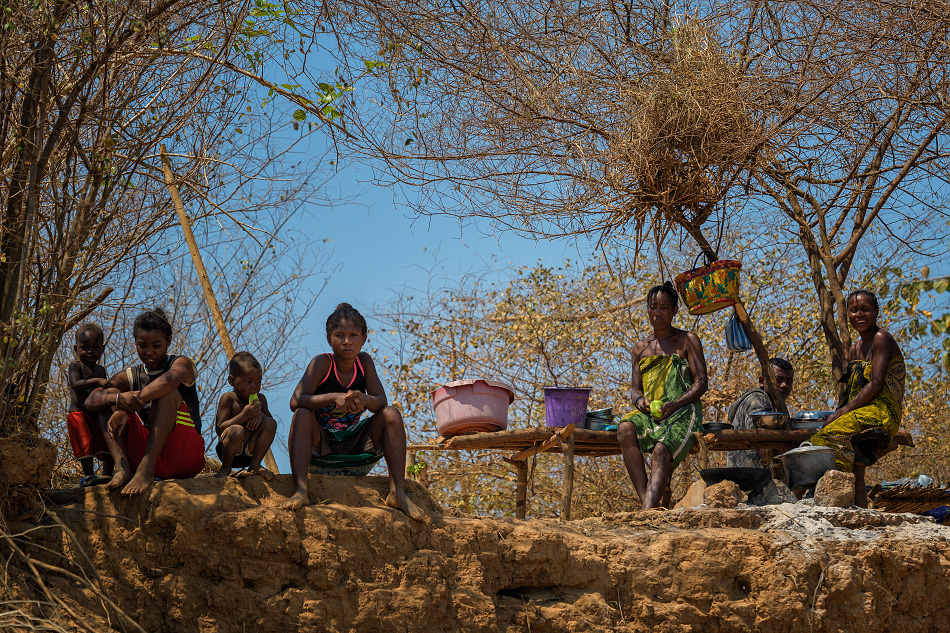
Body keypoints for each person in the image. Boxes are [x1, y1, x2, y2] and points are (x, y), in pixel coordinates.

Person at [281, 303, 424, 519]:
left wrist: (364, 399)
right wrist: (332, 397)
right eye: (339, 335)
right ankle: (301, 490)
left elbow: (381, 401)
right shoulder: (322, 363)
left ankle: (398, 492)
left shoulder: (364, 362)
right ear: (329, 339)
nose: (347, 341)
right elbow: (295, 401)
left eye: (353, 335)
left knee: (391, 414)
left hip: (354, 446)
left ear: (364, 338)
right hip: (322, 446)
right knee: (301, 414)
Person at [85, 308, 206, 495]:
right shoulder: (132, 375)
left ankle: (145, 470)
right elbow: (91, 400)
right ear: (135, 343)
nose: (149, 352)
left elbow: (170, 380)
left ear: (169, 341)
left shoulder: (181, 363)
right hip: (147, 453)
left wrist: (134, 401)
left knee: (165, 392)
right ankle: (122, 468)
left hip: (185, 454)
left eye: (156, 345)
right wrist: (119, 400)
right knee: (108, 396)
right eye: (143, 345)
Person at [617, 281, 708, 509]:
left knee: (660, 450)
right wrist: (640, 402)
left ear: (675, 310)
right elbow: (635, 389)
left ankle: (647, 512)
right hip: (653, 416)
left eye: (664, 307)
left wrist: (676, 404)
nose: (657, 313)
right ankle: (648, 507)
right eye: (652, 307)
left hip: (683, 413)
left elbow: (702, 383)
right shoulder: (640, 349)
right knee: (625, 428)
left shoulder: (688, 340)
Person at [810, 289, 905, 507]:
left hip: (882, 413)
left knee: (830, 437)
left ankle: (837, 497)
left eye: (865, 309)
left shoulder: (882, 338)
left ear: (876, 312)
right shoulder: (854, 349)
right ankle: (843, 498)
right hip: (862, 411)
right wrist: (836, 412)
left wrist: (842, 413)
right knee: (820, 435)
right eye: (854, 310)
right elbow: (853, 391)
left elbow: (876, 384)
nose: (859, 315)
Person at [213, 351, 277, 480]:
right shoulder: (228, 399)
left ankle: (255, 464)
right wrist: (243, 415)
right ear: (232, 381)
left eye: (258, 381)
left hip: (250, 451)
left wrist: (262, 416)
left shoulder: (260, 399)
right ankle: (225, 467)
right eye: (249, 382)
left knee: (270, 422)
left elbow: (270, 424)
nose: (255, 386)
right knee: (236, 430)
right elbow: (220, 428)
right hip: (230, 450)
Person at [66, 323, 115, 486]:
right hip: (78, 414)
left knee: (105, 439)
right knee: (84, 443)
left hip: (96, 413)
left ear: (102, 349)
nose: (90, 351)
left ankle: (107, 473)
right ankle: (89, 475)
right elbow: (75, 383)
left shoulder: (100, 369)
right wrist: (97, 381)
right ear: (75, 348)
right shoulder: (76, 366)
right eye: (84, 347)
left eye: (95, 347)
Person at [725, 358, 795, 469]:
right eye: (778, 380)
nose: (785, 385)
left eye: (789, 381)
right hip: (751, 478)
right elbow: (762, 446)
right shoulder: (758, 399)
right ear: (762, 381)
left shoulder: (773, 406)